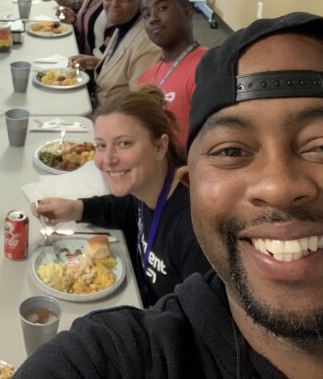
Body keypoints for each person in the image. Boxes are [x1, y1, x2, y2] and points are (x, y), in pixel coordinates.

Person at [0, 11, 323, 379]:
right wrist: (76, 207)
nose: (278, 187)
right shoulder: (119, 364)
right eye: (231, 150)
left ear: (163, 148)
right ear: (190, 181)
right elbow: (125, 211)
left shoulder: (188, 236)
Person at [34, 85, 210, 307]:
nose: (108, 159)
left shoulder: (194, 231)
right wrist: (77, 209)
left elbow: (199, 322)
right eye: (101, 145)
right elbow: (127, 208)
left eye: (124, 143)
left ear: (159, 146)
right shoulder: (146, 189)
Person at [70, 0, 159, 106]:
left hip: (109, 118)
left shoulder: (147, 46)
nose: (114, 4)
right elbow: (121, 67)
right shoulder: (124, 24)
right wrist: (98, 63)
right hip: (96, 104)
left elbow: (139, 107)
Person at [138, 0, 207, 147]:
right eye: (146, 14)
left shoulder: (205, 68)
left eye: (161, 8)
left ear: (188, 12)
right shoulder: (148, 76)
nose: (152, 18)